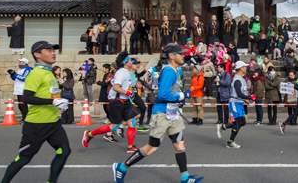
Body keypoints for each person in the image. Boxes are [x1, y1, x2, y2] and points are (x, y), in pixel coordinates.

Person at [112, 43, 203, 183]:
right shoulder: (169, 71)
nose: (184, 55)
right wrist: (181, 96)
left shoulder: (175, 70)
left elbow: (169, 93)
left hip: (172, 114)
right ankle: (122, 168)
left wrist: (178, 99)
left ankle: (185, 178)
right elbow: (163, 94)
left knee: (180, 145)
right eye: (181, 54)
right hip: (162, 114)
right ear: (172, 56)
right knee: (152, 147)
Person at [0, 41, 70, 183]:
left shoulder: (49, 72)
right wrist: (52, 102)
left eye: (53, 50)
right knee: (24, 158)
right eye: (48, 50)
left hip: (53, 123)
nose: (53, 52)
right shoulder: (35, 74)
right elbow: (27, 98)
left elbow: (49, 94)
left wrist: (59, 103)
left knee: (64, 151)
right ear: (37, 55)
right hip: (36, 125)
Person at [83, 52, 142, 152]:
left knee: (132, 122)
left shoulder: (127, 72)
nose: (131, 61)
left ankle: (130, 147)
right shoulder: (121, 72)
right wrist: (128, 93)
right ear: (125, 63)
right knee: (114, 126)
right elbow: (116, 87)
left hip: (125, 101)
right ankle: (89, 134)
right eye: (129, 60)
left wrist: (131, 92)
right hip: (117, 101)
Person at [216, 60, 250, 148]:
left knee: (242, 122)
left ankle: (224, 127)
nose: (246, 68)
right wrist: (249, 97)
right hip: (235, 103)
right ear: (241, 68)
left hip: (240, 103)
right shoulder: (237, 80)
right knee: (239, 122)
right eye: (245, 67)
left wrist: (245, 99)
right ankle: (230, 141)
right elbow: (238, 93)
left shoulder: (241, 79)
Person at [8, 58, 33, 122]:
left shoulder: (28, 69)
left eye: (21, 62)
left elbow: (23, 78)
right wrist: (12, 74)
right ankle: (23, 117)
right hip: (18, 90)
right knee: (20, 105)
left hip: (23, 90)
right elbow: (15, 79)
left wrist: (15, 74)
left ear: (25, 63)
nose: (19, 63)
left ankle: (26, 118)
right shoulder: (20, 69)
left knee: (23, 105)